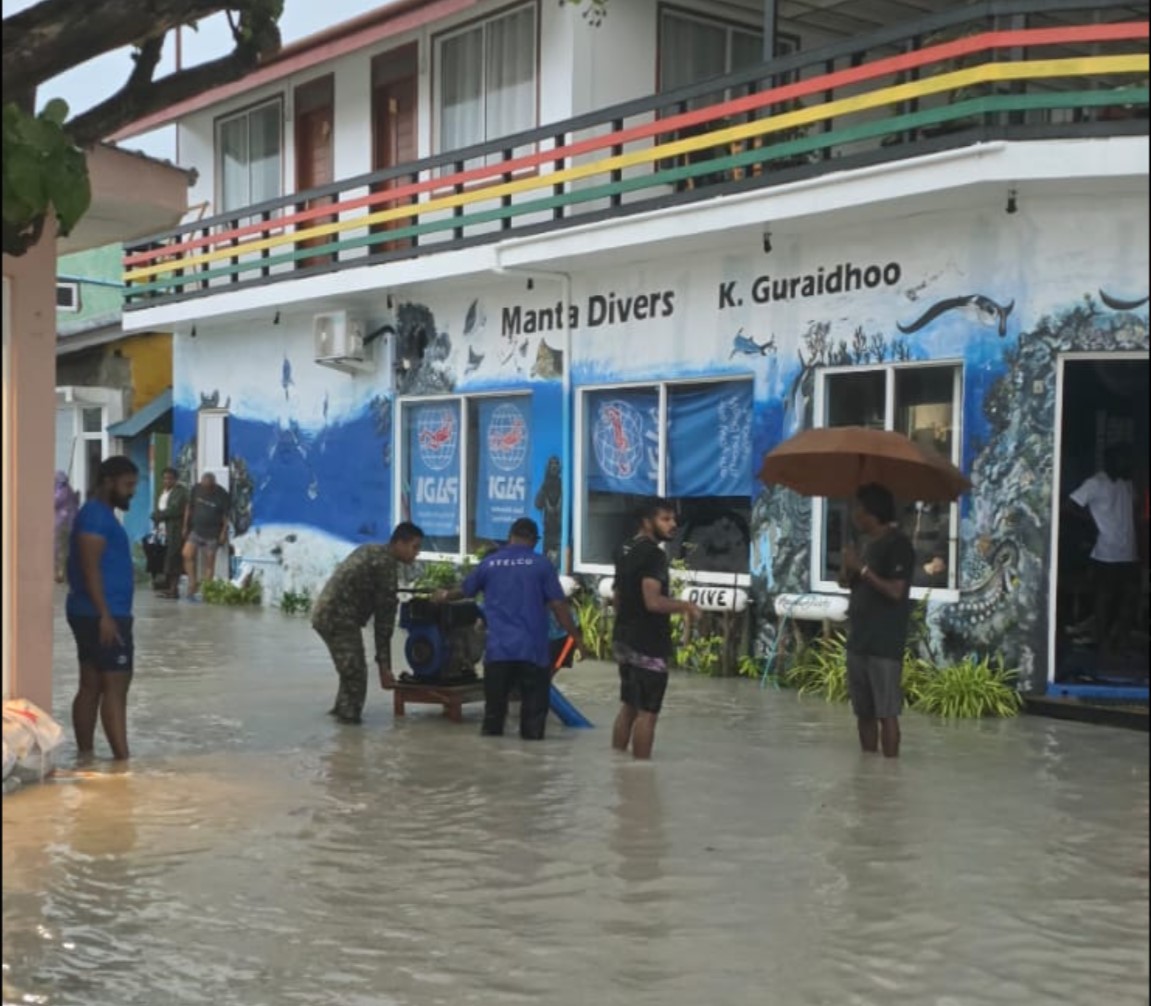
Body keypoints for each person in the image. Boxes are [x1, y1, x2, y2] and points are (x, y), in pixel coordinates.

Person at [439, 517, 583, 740]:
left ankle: (494, 766)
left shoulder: (489, 564)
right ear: (534, 540)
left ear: (510, 537)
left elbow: (464, 590)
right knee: (533, 724)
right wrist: (577, 639)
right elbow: (559, 607)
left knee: (493, 721)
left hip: (498, 653)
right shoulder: (542, 564)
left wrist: (444, 595)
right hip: (533, 654)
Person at [611, 499, 701, 760]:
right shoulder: (654, 555)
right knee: (648, 714)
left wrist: (627, 622)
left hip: (623, 638)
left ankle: (617, 766)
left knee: (628, 706)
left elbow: (617, 597)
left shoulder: (624, 548)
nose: (673, 525)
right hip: (647, 642)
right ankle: (640, 777)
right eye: (665, 519)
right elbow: (653, 602)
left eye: (673, 519)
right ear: (647, 522)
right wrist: (687, 606)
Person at [311, 523, 424, 724]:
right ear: (399, 543)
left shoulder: (372, 550)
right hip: (338, 618)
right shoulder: (385, 566)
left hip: (329, 614)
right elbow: (384, 624)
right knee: (356, 675)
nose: (417, 554)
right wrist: (385, 668)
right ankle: (349, 733)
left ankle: (340, 720)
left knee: (350, 673)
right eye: (414, 547)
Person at [66, 456, 140, 761]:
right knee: (116, 686)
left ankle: (85, 756)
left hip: (92, 612)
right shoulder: (96, 517)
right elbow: (89, 566)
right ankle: (123, 761)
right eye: (128, 485)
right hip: (104, 614)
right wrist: (106, 615)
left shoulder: (98, 514)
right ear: (108, 482)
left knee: (92, 683)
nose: (132, 492)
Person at [838, 483, 916, 759]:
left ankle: (890, 771)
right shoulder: (864, 544)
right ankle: (870, 771)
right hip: (859, 639)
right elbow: (852, 584)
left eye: (858, 509)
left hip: (884, 643)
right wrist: (848, 569)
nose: (854, 515)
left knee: (886, 712)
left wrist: (861, 567)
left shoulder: (899, 545)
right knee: (864, 712)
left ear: (872, 513)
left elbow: (895, 591)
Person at [1068, 445, 1141, 653]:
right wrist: (1092, 524)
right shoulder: (1095, 483)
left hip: (1129, 550)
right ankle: (1103, 641)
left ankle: (1121, 638)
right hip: (1106, 551)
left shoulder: (1126, 483)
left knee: (1129, 597)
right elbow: (1070, 505)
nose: (1127, 464)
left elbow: (1132, 511)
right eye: (1123, 460)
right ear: (1110, 461)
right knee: (1105, 598)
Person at [182, 471, 231, 599]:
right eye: (204, 487)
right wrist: (185, 525)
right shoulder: (196, 489)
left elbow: (226, 517)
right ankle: (192, 584)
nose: (206, 490)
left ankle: (206, 591)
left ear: (214, 484)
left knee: (209, 563)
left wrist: (223, 533)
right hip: (197, 530)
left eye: (209, 488)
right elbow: (189, 507)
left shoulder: (222, 494)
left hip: (212, 534)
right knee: (187, 554)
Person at [150, 467, 189, 599]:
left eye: (170, 478)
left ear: (175, 479)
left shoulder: (180, 492)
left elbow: (175, 510)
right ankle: (166, 587)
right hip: (162, 529)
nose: (167, 481)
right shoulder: (164, 491)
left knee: (174, 558)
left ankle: (174, 589)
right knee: (163, 558)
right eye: (165, 478)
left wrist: (158, 515)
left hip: (174, 529)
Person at [54, 470, 80, 583]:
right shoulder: (69, 489)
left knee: (61, 549)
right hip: (70, 523)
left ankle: (61, 574)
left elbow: (54, 503)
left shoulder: (62, 491)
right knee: (65, 549)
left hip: (63, 523)